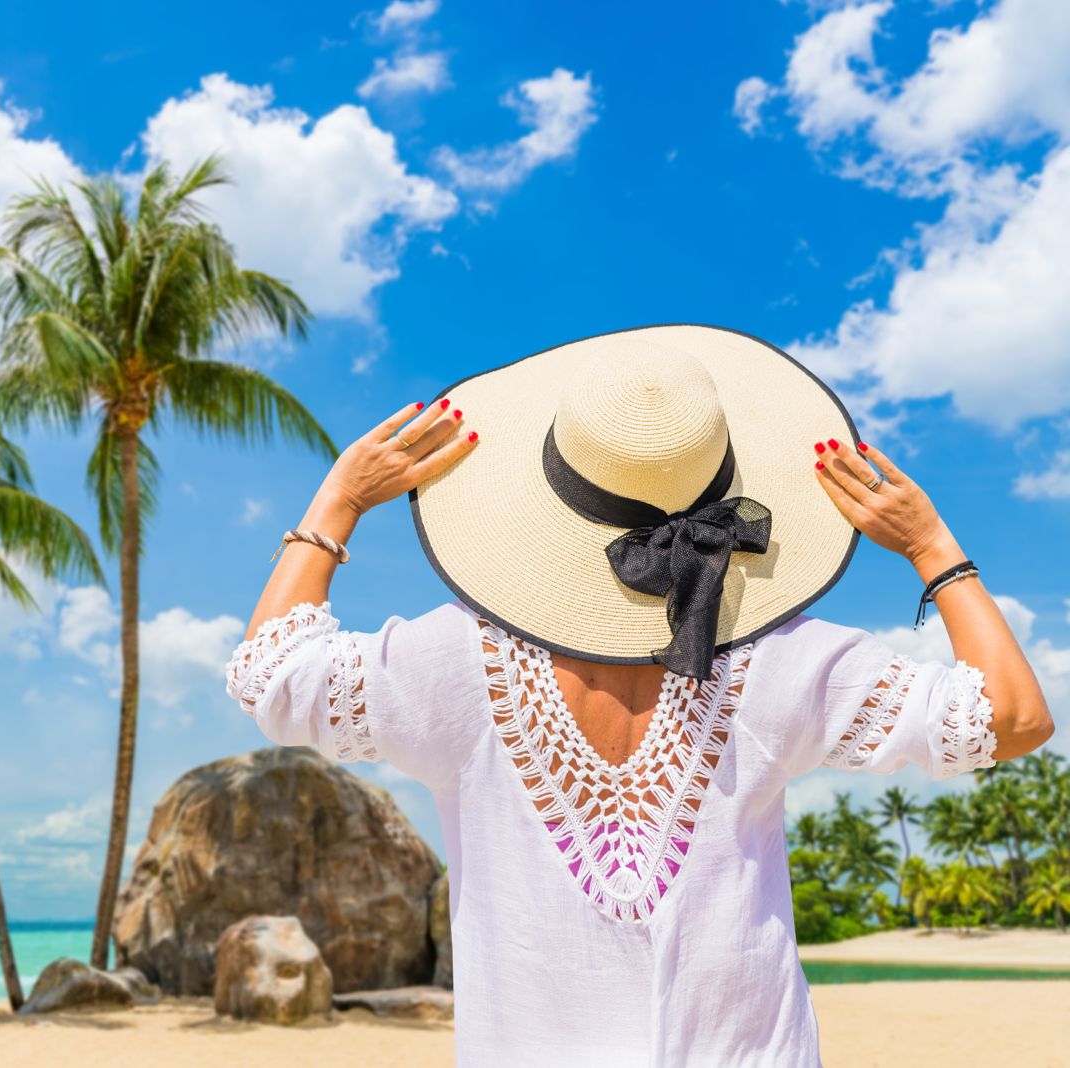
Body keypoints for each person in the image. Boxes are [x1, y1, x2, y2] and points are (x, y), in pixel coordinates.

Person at [223, 325, 1053, 1067]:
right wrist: (932, 547)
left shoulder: (452, 661)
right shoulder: (786, 662)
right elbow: (1014, 719)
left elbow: (272, 674)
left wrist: (337, 502)